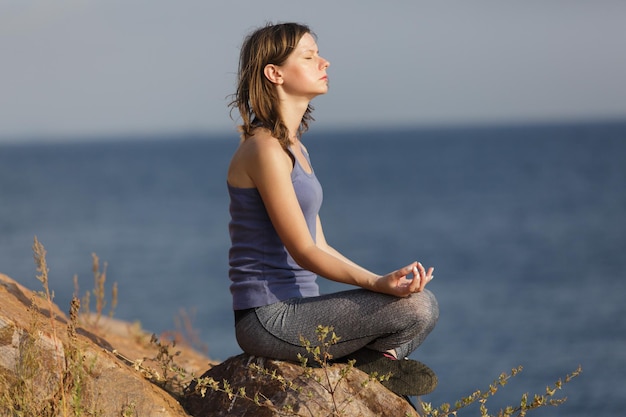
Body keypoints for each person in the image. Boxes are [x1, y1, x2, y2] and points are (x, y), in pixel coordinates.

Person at [226, 22, 439, 400]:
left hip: (301, 310)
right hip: (266, 318)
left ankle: (367, 365)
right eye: (308, 56)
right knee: (416, 307)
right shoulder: (264, 150)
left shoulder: (294, 148)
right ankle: (367, 363)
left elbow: (319, 243)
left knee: (420, 305)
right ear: (274, 74)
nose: (324, 61)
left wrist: (384, 281)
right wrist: (375, 284)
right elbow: (303, 251)